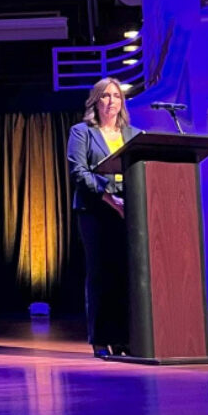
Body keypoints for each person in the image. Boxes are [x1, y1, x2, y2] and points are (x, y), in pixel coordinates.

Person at [66, 77, 138, 358]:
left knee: (124, 274)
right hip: (95, 210)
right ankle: (101, 339)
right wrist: (110, 198)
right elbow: (79, 172)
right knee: (101, 274)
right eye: (105, 96)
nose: (111, 101)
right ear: (95, 101)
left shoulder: (134, 134)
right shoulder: (82, 132)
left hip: (130, 210)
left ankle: (123, 339)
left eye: (116, 96)